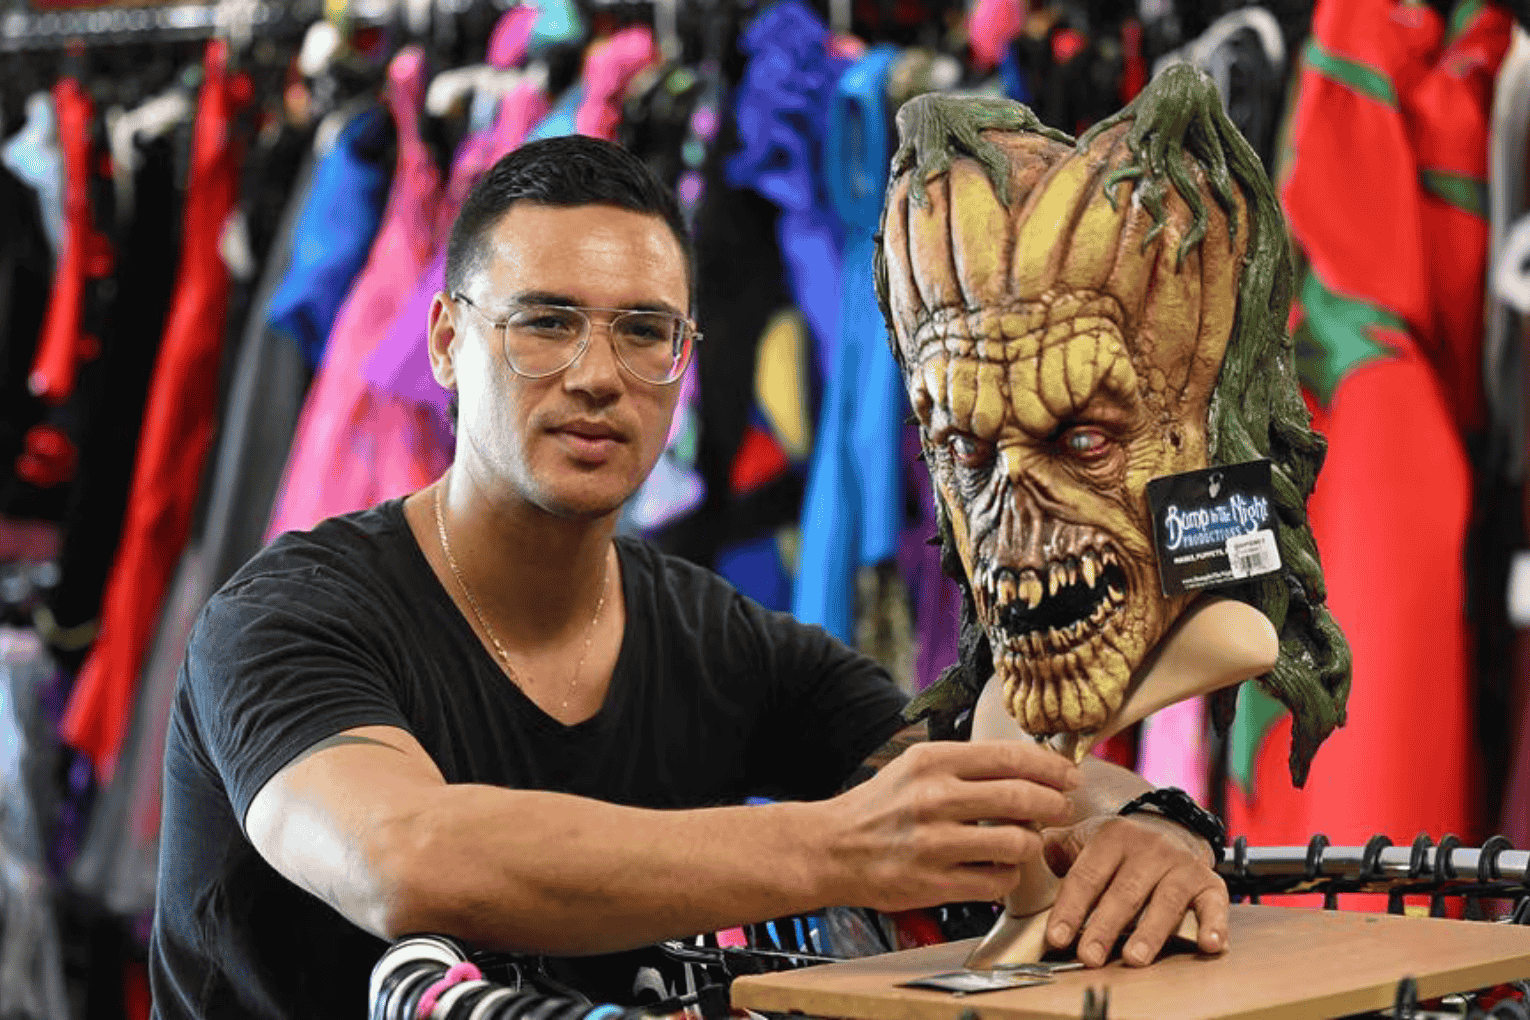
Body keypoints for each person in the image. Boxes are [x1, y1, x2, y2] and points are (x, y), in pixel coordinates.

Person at [148, 135, 1229, 1020]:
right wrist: (840, 847)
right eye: (545, 323)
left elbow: (966, 778)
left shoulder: (713, 637)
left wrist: (1152, 823)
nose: (597, 376)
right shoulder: (285, 617)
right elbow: (403, 858)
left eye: (645, 333)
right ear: (444, 341)